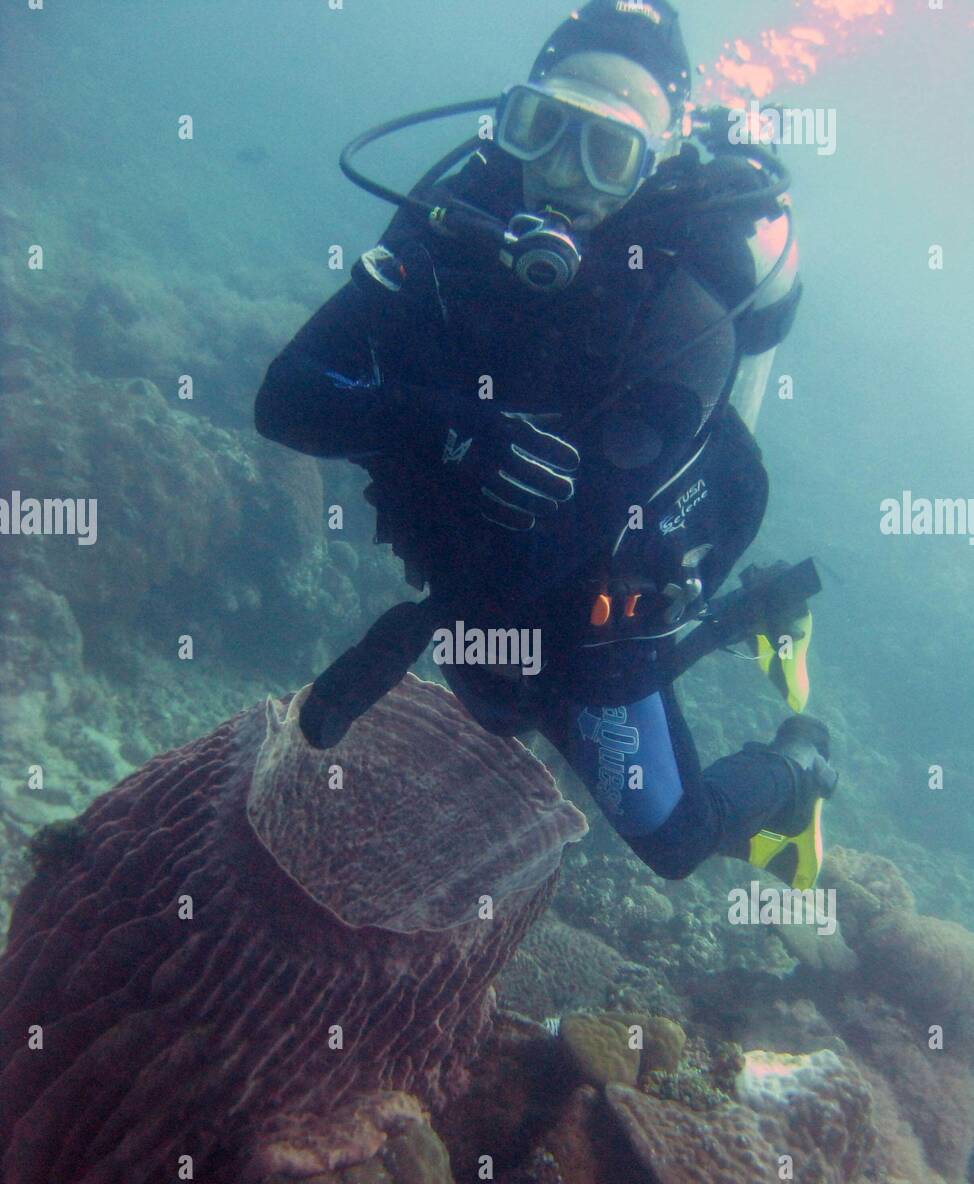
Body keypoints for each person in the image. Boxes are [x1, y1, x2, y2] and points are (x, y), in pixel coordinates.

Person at [255, 0, 837, 884]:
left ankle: (798, 763)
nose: (564, 174)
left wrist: (410, 627)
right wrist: (452, 429)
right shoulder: (450, 221)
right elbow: (285, 399)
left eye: (608, 151)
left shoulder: (686, 295)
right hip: (487, 566)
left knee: (672, 842)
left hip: (604, 574)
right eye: (545, 128)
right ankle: (744, 624)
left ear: (655, 163)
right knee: (498, 703)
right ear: (508, 121)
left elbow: (565, 546)